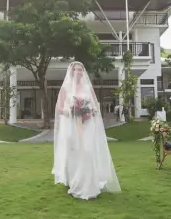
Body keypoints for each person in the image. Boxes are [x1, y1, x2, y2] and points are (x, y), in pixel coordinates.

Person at [52, 61, 121, 200]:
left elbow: (95, 106)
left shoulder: (88, 88)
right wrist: (71, 111)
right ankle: (74, 181)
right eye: (76, 69)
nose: (79, 72)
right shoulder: (66, 88)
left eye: (81, 70)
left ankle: (90, 184)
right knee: (75, 152)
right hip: (71, 125)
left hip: (88, 124)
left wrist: (90, 112)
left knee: (88, 151)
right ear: (72, 72)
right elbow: (59, 108)